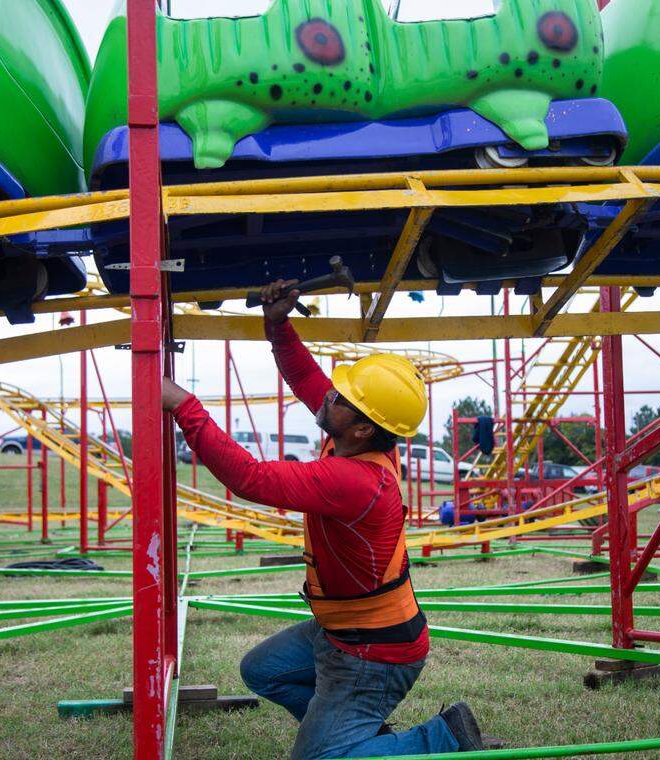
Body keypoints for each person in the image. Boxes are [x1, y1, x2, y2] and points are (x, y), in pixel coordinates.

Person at [162, 279, 486, 758]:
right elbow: (305, 376)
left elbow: (251, 479)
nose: (328, 395)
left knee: (317, 759)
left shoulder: (355, 481)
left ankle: (442, 738)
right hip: (343, 633)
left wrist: (185, 408)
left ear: (361, 426)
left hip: (373, 653)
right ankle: (358, 738)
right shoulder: (354, 434)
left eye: (340, 397)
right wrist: (278, 326)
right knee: (262, 671)